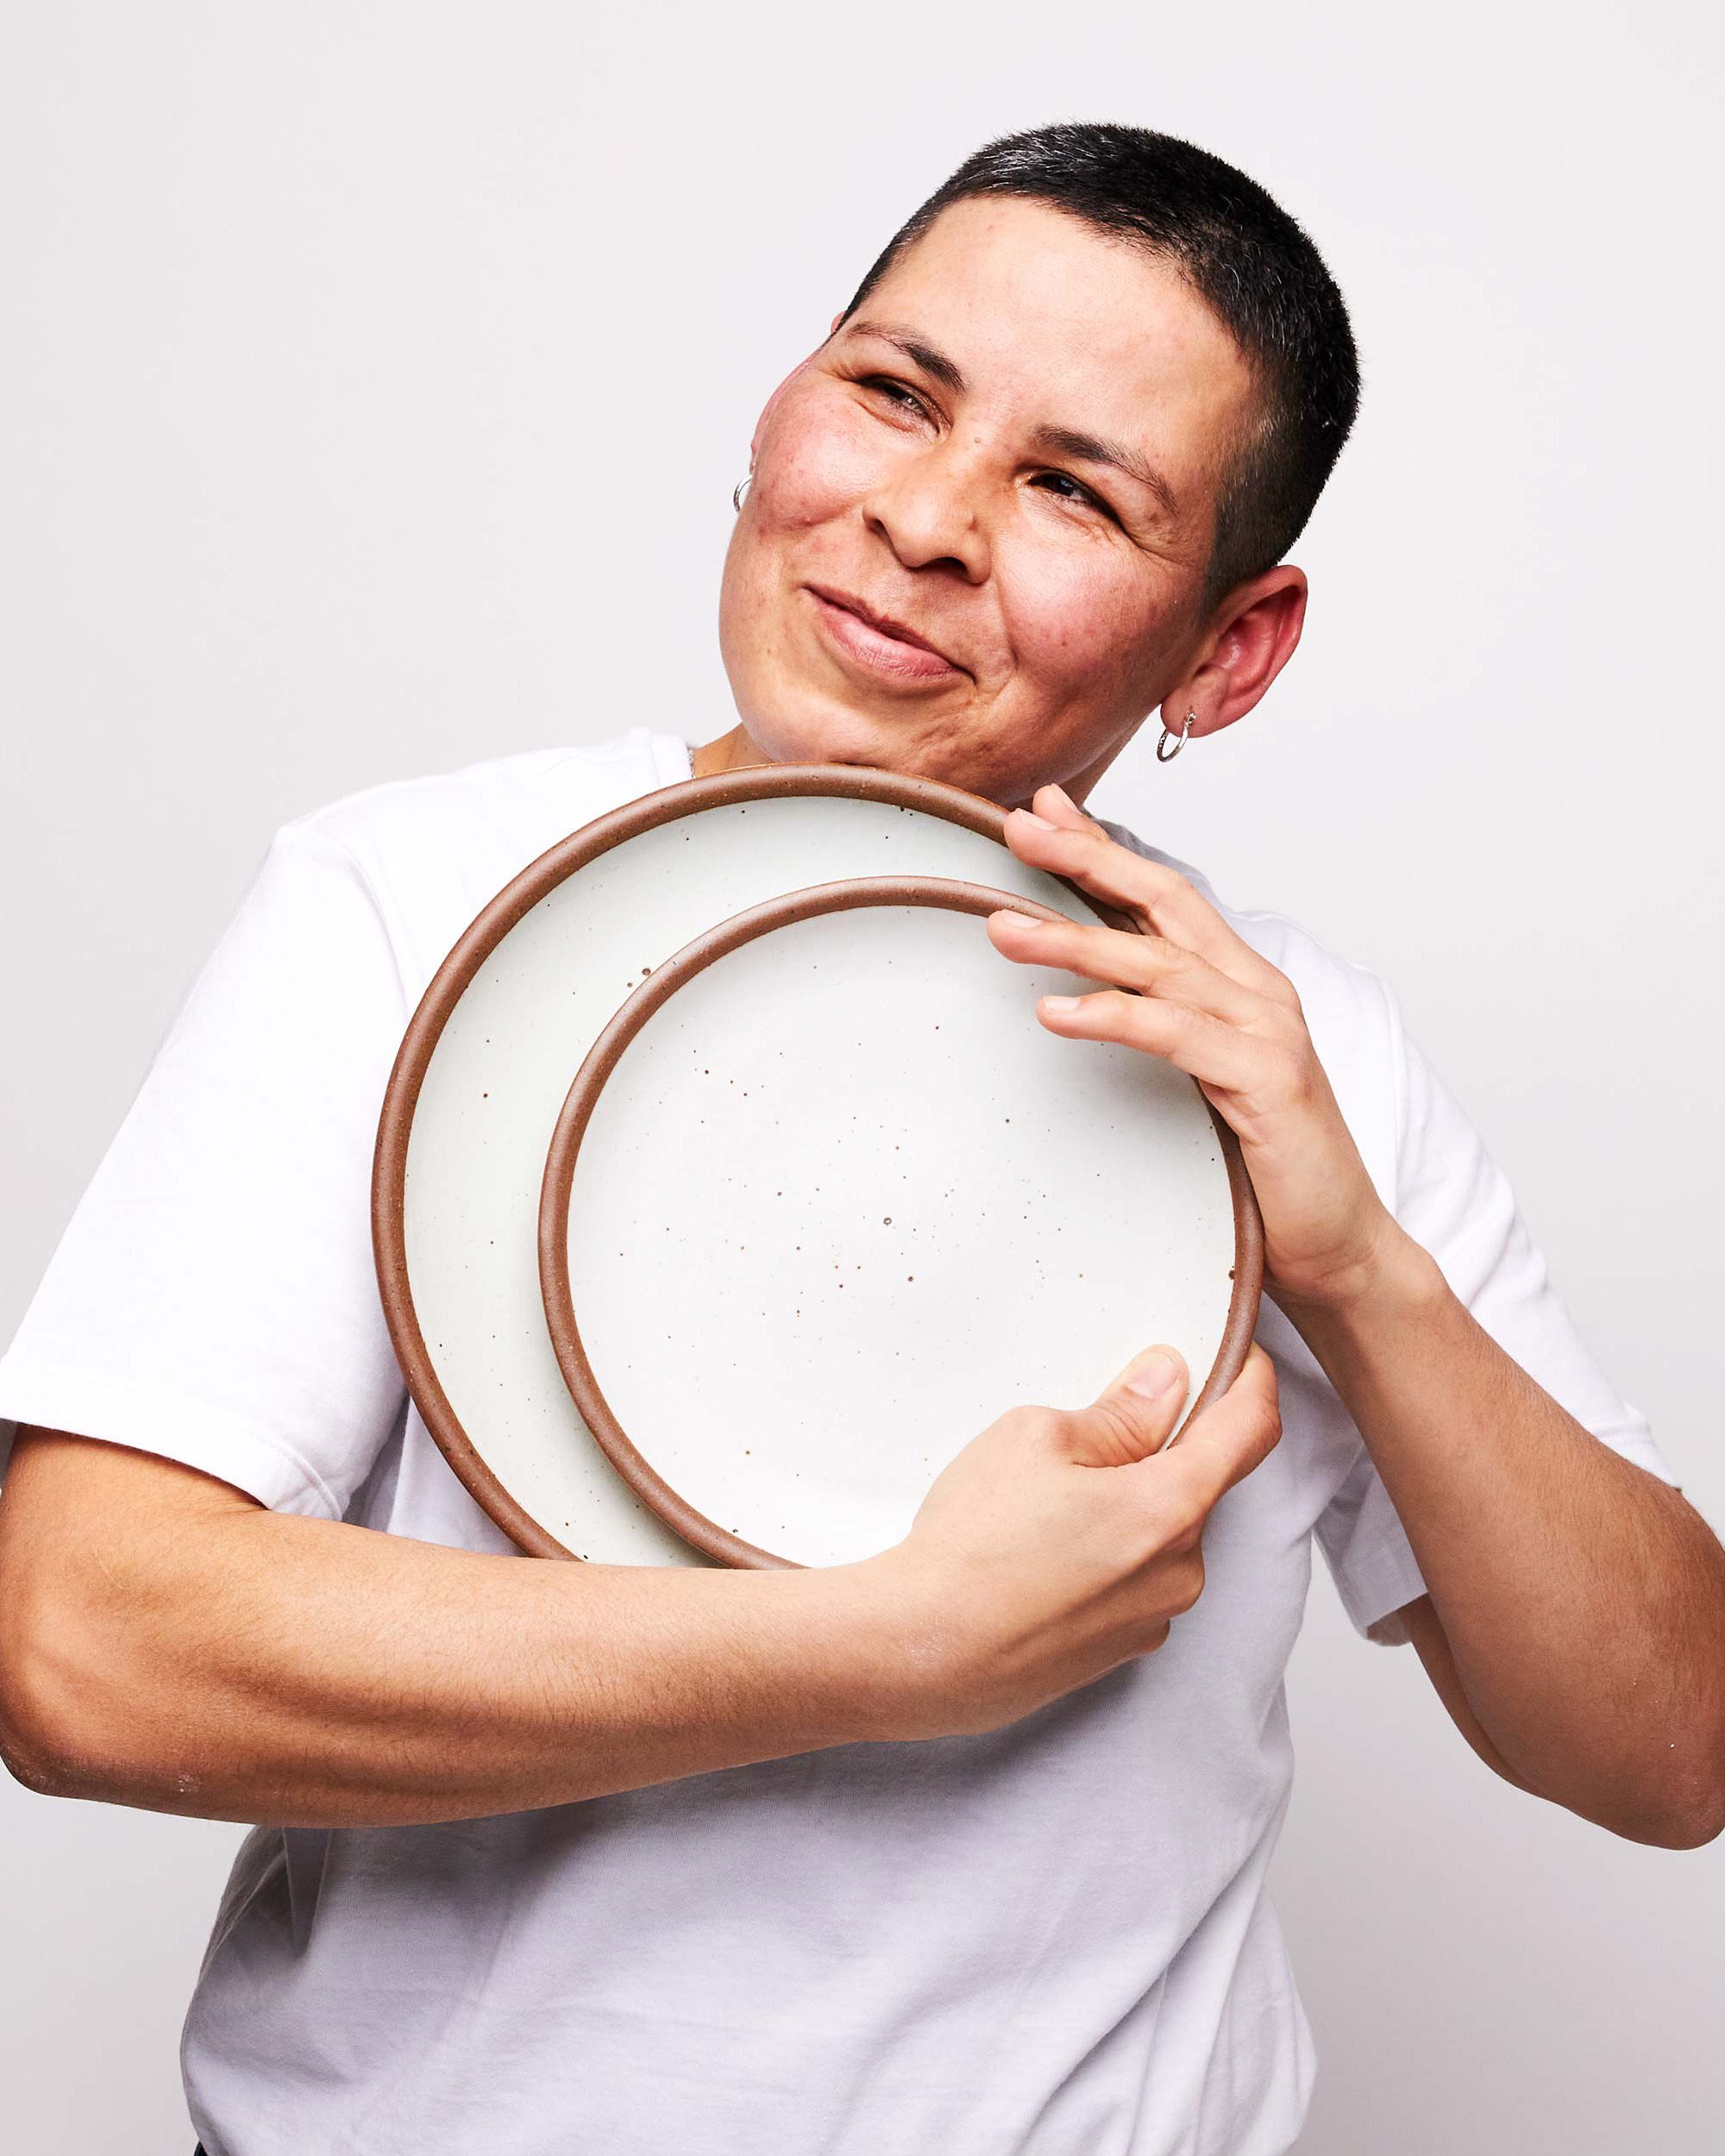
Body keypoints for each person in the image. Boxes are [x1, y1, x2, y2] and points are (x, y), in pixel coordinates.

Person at [1, 121, 1720, 2156]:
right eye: (893, 392)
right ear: (783, 402)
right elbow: (81, 1645)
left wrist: (1361, 1267)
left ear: (1228, 647)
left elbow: (1665, 1746)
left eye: (1074, 487)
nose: (922, 519)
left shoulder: (1293, 1046)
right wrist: (881, 1646)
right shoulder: (406, 898)